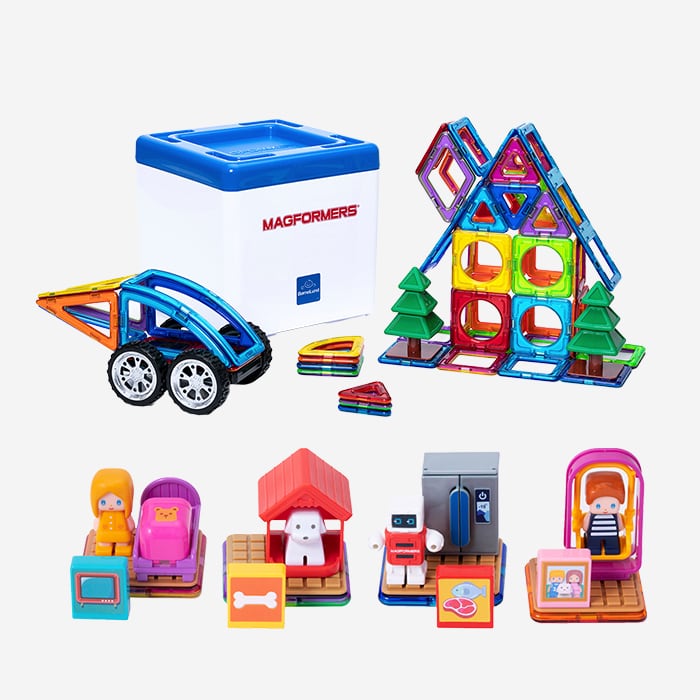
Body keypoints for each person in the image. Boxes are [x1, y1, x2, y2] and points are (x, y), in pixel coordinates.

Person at [90, 468, 135, 556]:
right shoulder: (101, 515)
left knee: (123, 543)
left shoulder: (124, 515)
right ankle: (104, 547)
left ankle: (122, 547)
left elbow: (131, 525)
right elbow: (96, 525)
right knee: (104, 543)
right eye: (103, 502)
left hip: (122, 536)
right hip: (104, 536)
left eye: (118, 502)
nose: (111, 506)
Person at [582, 471, 625, 556]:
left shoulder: (615, 515)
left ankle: (612, 550)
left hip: (612, 535)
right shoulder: (591, 515)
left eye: (612, 506)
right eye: (598, 506)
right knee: (593, 547)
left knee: (612, 546)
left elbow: (620, 526)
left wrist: (621, 527)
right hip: (594, 535)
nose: (605, 509)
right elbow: (586, 526)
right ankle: (594, 550)